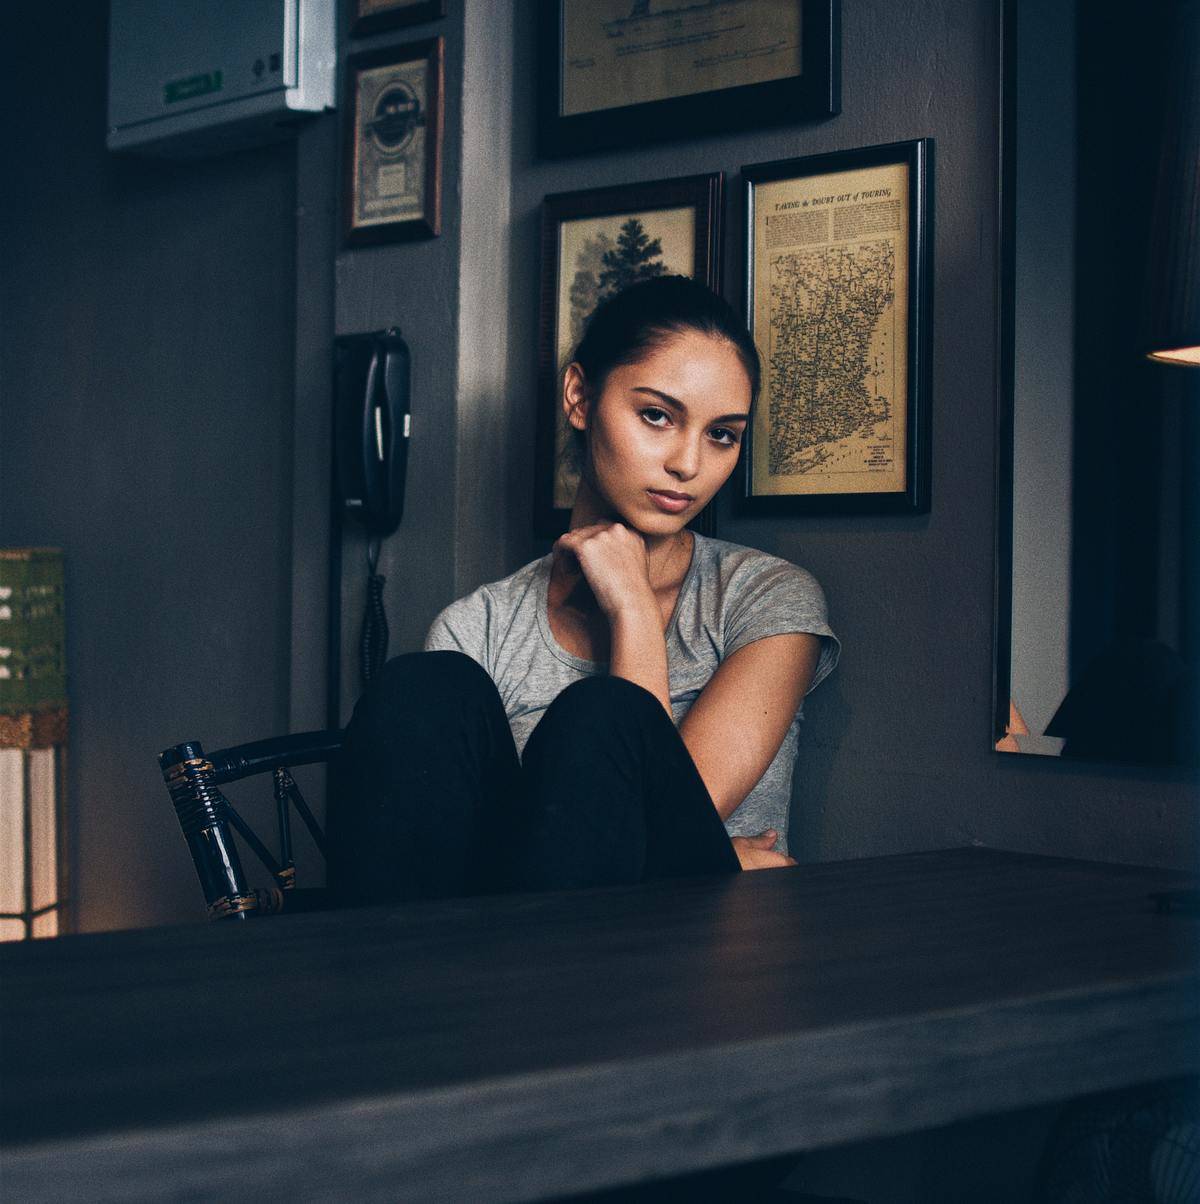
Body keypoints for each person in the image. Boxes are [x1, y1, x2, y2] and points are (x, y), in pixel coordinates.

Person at [328, 275, 840, 906]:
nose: (687, 463)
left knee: (602, 714)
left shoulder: (767, 600)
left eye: (722, 434)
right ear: (579, 396)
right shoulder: (479, 627)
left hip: (699, 965)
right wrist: (725, 857)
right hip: (500, 968)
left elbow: (659, 814)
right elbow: (439, 853)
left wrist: (630, 604)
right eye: (657, 416)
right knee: (422, 685)